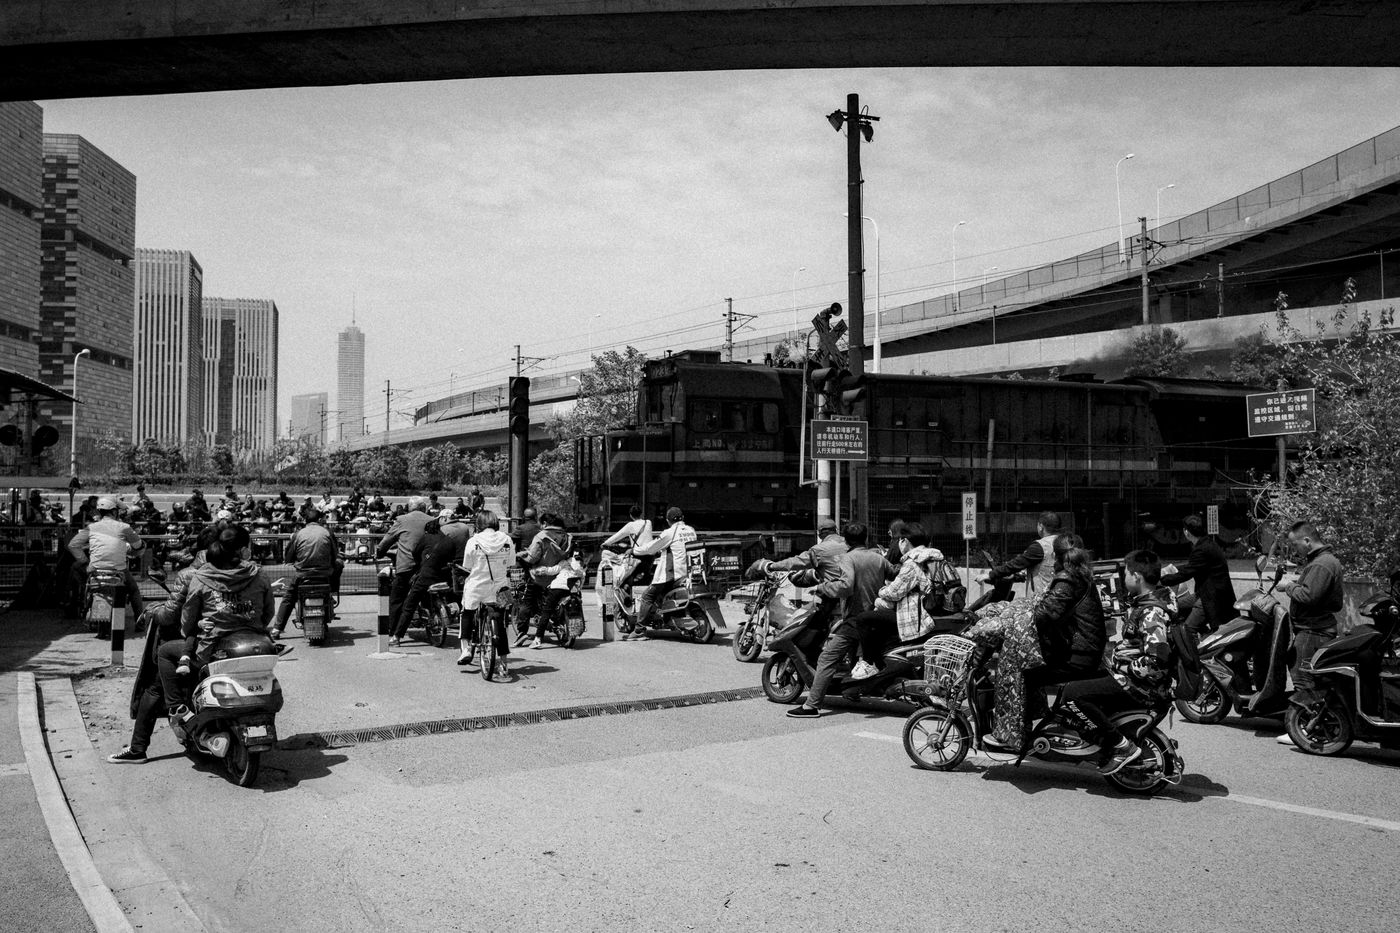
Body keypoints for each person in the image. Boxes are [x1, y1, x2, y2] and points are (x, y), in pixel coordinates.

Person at [108, 524, 220, 763]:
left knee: (156, 686)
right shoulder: (242, 571)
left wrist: (151, 611)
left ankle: (139, 747)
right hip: (228, 639)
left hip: (193, 641)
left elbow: (171, 616)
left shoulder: (192, 574)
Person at [1061, 550, 1178, 775]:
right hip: (1137, 680)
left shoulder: (1151, 612)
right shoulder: (1153, 601)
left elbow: (1156, 661)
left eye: (1126, 574)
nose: (1123, 579)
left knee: (1072, 694)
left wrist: (1124, 667)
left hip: (1140, 685)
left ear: (1137, 577)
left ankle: (1120, 746)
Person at [786, 522, 895, 718]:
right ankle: (853, 691)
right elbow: (893, 574)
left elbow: (845, 586)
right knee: (855, 656)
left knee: (827, 658)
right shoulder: (878, 558)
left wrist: (822, 588)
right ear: (865, 538)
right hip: (876, 616)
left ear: (846, 540)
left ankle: (811, 705)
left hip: (855, 619)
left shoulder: (847, 558)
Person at [163, 526, 274, 712]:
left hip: (211, 649)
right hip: (256, 643)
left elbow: (188, 619)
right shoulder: (259, 573)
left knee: (165, 652)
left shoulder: (201, 577)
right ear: (243, 549)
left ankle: (177, 709)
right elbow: (269, 612)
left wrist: (194, 628)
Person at [1275, 520, 1345, 746]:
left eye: (1295, 545)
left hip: (1313, 630)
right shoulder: (1325, 561)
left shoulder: (1321, 564)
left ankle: (1303, 728)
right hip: (1318, 627)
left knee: (1303, 678)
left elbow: (1309, 596)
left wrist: (1288, 586)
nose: (1295, 550)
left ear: (1307, 540)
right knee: (1311, 678)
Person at [851, 522, 943, 678]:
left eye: (900, 540)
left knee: (863, 619)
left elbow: (894, 592)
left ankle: (868, 663)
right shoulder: (934, 558)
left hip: (914, 616)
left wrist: (881, 591)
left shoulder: (913, 563)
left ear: (905, 541)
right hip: (927, 611)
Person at [398, 509, 472, 644]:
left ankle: (397, 636)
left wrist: (423, 562)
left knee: (410, 603)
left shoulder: (426, 538)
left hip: (427, 576)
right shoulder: (451, 539)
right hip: (444, 576)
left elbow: (415, 553)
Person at [68, 495, 146, 620]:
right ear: (114, 512)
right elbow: (138, 546)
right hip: (119, 570)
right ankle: (140, 622)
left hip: (95, 569)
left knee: (75, 569)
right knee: (134, 591)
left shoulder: (91, 527)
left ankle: (78, 603)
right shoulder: (124, 527)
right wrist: (140, 546)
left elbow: (73, 545)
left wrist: (85, 561)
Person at [627, 506, 699, 641]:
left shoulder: (669, 532)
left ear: (668, 520)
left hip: (673, 575)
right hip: (689, 572)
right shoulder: (691, 530)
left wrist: (634, 551)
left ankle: (639, 630)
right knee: (660, 595)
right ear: (683, 518)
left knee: (647, 596)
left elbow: (651, 548)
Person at [269, 508, 342, 639]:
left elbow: (288, 558)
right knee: (339, 563)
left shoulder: (298, 534)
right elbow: (335, 554)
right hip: (324, 574)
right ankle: (332, 591)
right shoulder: (327, 532)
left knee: (289, 598)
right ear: (320, 519)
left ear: (305, 520)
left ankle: (277, 629)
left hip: (303, 576)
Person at [457, 510, 516, 673]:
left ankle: (466, 649)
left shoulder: (473, 541)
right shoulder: (507, 540)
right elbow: (511, 563)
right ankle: (503, 663)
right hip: (500, 588)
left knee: (467, 612)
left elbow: (467, 565)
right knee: (501, 622)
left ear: (479, 524)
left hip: (477, 587)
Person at [1160, 513, 1236, 637]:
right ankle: (1203, 634)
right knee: (1175, 607)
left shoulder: (1201, 549)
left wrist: (1161, 580)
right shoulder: (1207, 544)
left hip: (1211, 598)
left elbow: (1187, 574)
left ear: (1187, 532)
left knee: (1187, 630)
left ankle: (1192, 647)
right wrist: (1174, 569)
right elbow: (1194, 566)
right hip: (1204, 593)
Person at [376, 496, 434, 645]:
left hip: (406, 565)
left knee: (397, 599)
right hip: (427, 565)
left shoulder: (402, 520)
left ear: (409, 508)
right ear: (423, 508)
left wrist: (379, 552)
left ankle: (392, 632)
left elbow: (387, 539)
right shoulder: (432, 520)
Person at [516, 512, 576, 648]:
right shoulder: (567, 536)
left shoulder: (541, 536)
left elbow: (532, 558)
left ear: (544, 523)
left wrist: (523, 556)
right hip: (560, 575)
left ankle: (522, 632)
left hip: (540, 576)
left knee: (527, 601)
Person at [980, 510, 1062, 595]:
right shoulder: (1064, 542)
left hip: (1042, 598)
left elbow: (1017, 564)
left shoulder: (1040, 546)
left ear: (1041, 526)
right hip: (1062, 594)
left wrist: (990, 574)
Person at [603, 505, 655, 594]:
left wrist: (605, 543)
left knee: (626, 575)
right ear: (641, 514)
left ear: (630, 515)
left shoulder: (630, 525)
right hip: (650, 556)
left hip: (637, 555)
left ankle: (626, 592)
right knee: (644, 576)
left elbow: (617, 536)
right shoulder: (648, 522)